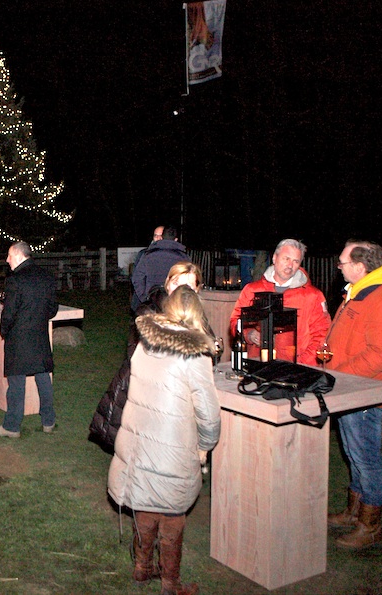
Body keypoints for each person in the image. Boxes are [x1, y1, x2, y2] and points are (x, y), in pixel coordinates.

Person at [108, 286, 221, 595]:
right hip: (173, 447)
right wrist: (206, 444)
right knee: (172, 512)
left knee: (146, 498)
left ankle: (142, 568)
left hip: (139, 439)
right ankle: (171, 584)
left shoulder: (145, 344)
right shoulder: (195, 355)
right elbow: (209, 415)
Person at [326, 240, 382, 550]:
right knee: (353, 454)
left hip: (365, 393)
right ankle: (354, 512)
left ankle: (370, 524)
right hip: (350, 391)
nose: (339, 267)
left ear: (361, 267)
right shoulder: (361, 292)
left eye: (343, 262)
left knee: (366, 459)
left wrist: (340, 374)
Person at [90, 262, 208, 453]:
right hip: (143, 395)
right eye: (176, 283)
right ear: (167, 284)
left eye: (188, 285)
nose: (181, 290)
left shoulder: (198, 319)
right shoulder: (149, 312)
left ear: (197, 290)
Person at [0, 242, 59, 439]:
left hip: (19, 338)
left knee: (16, 382)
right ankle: (48, 421)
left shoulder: (15, 280)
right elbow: (52, 308)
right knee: (43, 377)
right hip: (39, 336)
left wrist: (4, 330)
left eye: (9, 256)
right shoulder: (47, 277)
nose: (7, 260)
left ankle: (12, 427)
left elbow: (9, 312)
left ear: (19, 256)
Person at [228, 238, 330, 365]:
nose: (290, 265)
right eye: (286, 259)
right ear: (274, 258)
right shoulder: (252, 290)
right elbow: (235, 322)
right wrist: (249, 334)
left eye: (296, 261)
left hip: (295, 368)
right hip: (258, 365)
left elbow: (321, 335)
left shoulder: (313, 296)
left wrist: (300, 364)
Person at [131, 225, 190, 312]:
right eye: (155, 235)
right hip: (172, 303)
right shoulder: (184, 257)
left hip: (154, 303)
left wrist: (144, 298)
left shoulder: (148, 255)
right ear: (176, 240)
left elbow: (137, 278)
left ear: (162, 237)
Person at [129, 225, 164, 309]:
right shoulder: (143, 254)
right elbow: (136, 277)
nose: (158, 238)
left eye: (161, 236)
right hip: (145, 301)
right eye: (155, 235)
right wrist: (144, 298)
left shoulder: (174, 256)